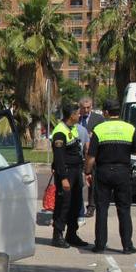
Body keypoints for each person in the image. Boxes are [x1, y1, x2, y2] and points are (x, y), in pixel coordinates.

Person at [85, 100, 136, 254]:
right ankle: (127, 246)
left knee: (102, 209)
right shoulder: (129, 128)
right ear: (119, 112)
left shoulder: (99, 129)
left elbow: (91, 156)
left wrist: (87, 172)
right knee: (124, 209)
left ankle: (100, 245)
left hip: (103, 172)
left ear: (105, 112)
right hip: (122, 172)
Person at [50, 103, 88, 249]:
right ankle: (57, 235)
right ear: (71, 115)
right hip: (66, 173)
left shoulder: (72, 129)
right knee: (63, 204)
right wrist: (64, 178)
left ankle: (72, 234)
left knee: (76, 203)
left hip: (76, 171)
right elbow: (59, 158)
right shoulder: (60, 132)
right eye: (78, 113)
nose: (80, 115)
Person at [78, 97, 105, 217]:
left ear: (91, 107)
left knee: (92, 182)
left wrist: (93, 135)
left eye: (88, 107)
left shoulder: (98, 119)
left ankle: (91, 206)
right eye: (83, 108)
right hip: (78, 154)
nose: (86, 110)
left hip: (92, 154)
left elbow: (103, 134)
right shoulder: (76, 118)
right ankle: (77, 206)